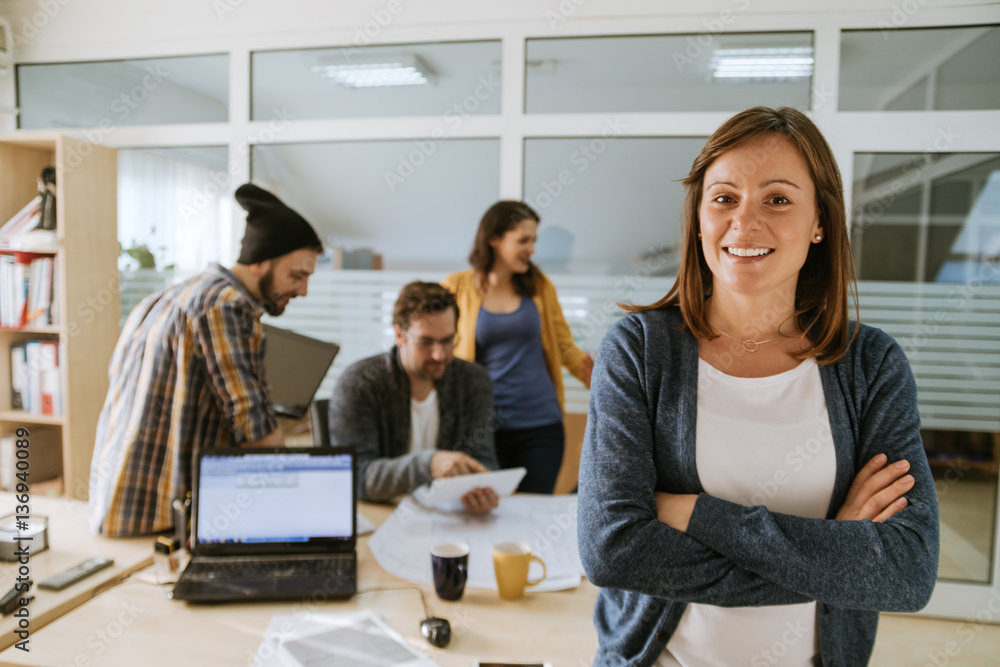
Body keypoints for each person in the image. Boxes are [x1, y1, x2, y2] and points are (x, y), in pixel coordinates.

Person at [577, 107, 939, 666]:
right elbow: (613, 550)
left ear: (820, 220)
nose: (745, 224)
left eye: (777, 199)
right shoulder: (639, 351)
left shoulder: (871, 364)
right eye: (724, 198)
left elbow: (907, 570)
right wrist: (834, 555)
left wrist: (694, 513)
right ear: (699, 218)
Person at [89, 183, 323, 537]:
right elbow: (256, 434)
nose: (303, 291)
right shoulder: (227, 307)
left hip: (119, 503)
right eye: (297, 275)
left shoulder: (176, 292)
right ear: (260, 261)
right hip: (160, 521)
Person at [443, 201, 594, 495]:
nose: (532, 249)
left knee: (533, 514)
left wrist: (603, 379)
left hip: (541, 425)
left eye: (533, 240)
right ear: (494, 239)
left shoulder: (539, 286)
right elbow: (442, 349)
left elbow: (564, 346)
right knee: (485, 513)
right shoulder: (456, 287)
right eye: (523, 240)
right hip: (483, 428)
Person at [327, 281, 500, 515]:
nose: (439, 354)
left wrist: (482, 490)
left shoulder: (473, 380)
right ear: (399, 335)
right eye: (426, 342)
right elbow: (356, 476)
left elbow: (484, 461)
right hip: (382, 514)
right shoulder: (359, 383)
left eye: (448, 341)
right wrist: (430, 464)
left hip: (449, 515)